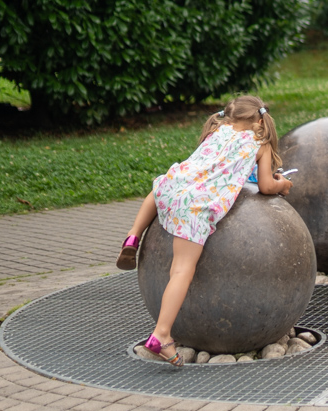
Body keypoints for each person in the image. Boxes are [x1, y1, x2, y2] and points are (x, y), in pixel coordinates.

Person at [114, 96, 292, 365]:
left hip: (173, 189)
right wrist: (284, 185)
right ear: (259, 120)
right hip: (195, 209)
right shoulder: (260, 143)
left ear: (229, 117)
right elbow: (266, 186)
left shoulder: (216, 130)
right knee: (181, 270)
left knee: (160, 184)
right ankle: (161, 335)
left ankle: (133, 235)